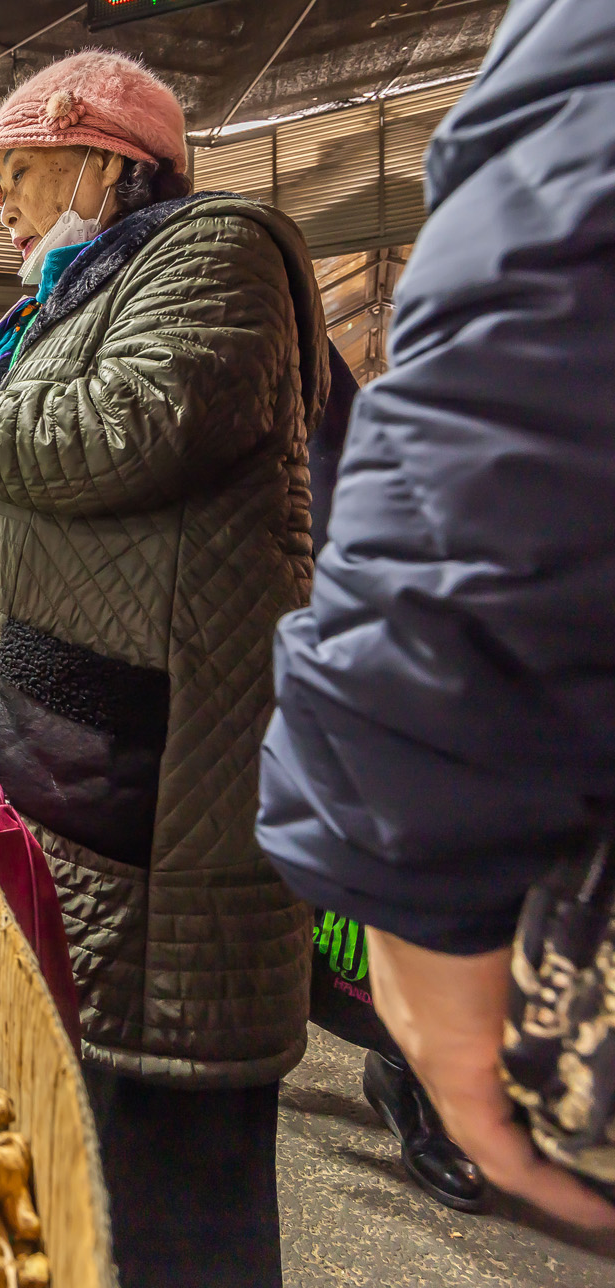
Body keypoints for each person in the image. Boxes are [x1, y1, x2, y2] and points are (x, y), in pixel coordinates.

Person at [0, 50, 326, 1285]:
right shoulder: (82, 285)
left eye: (15, 174)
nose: (3, 207)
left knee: (167, 1153)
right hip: (74, 734)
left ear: (99, 160)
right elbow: (21, 465)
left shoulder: (212, 250)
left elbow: (123, 428)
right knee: (80, 1139)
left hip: (155, 772)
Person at [260, 0, 615, 1233]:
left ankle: (404, 1068)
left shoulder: (240, 296)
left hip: (403, 672)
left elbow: (494, 415)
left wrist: (404, 820)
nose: (5, 211)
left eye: (26, 174)